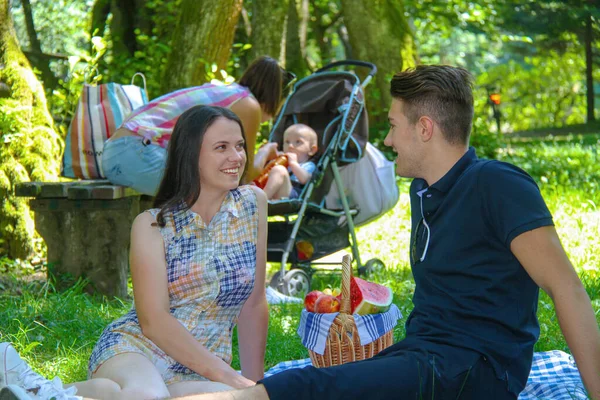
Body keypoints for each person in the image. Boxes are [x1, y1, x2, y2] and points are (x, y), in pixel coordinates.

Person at [153, 65, 599, 399]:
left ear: (425, 129)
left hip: (474, 370)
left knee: (308, 388)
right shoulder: (427, 193)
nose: (387, 140)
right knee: (324, 382)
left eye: (394, 125)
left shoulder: (498, 185)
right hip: (424, 356)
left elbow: (567, 290)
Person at [0, 105, 269, 400]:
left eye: (240, 146)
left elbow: (254, 303)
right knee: (147, 395)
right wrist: (232, 377)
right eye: (222, 147)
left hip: (201, 367)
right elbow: (154, 321)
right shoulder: (152, 224)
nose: (237, 157)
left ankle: (45, 391)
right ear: (191, 155)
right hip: (139, 348)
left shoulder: (253, 204)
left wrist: (255, 383)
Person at [102, 56, 292, 195]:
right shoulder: (249, 105)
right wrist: (266, 152)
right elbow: (245, 172)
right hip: (136, 153)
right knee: (219, 191)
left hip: (117, 153)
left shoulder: (227, 93)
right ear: (276, 97)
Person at [262, 124, 318, 200]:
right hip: (276, 191)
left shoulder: (308, 165)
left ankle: (260, 201)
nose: (290, 146)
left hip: (294, 194)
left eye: (298, 142)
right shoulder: (281, 162)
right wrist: (273, 162)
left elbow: (305, 179)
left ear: (311, 150)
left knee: (279, 170)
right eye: (287, 142)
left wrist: (293, 164)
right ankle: (258, 196)